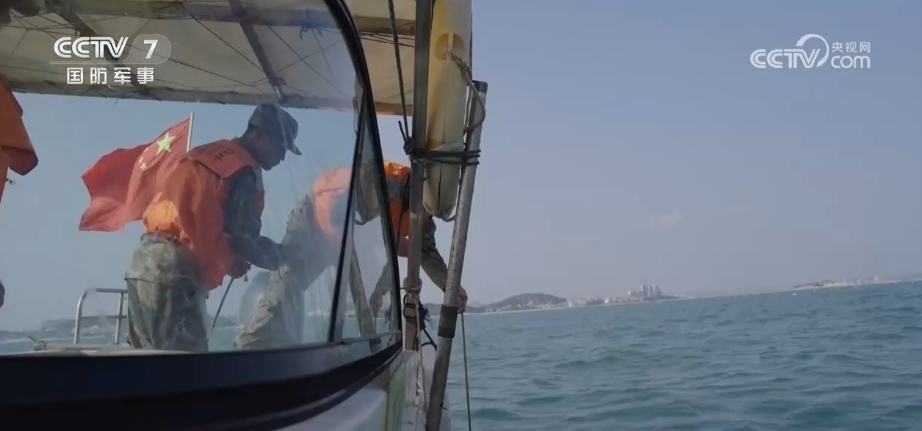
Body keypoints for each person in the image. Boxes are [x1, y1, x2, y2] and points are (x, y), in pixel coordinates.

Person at [124, 104, 304, 352]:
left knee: (146, 363)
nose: (282, 157)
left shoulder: (204, 154)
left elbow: (201, 219)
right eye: (280, 146)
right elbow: (245, 239)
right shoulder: (242, 171)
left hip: (143, 263)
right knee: (189, 367)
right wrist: (289, 255)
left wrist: (229, 260)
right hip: (174, 274)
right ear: (257, 135)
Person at [235, 159, 468, 350]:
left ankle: (371, 351)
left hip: (347, 235)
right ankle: (244, 349)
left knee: (362, 301)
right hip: (314, 220)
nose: (429, 215)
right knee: (283, 292)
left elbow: (421, 252)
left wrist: (451, 288)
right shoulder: (392, 180)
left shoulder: (422, 221)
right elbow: (372, 220)